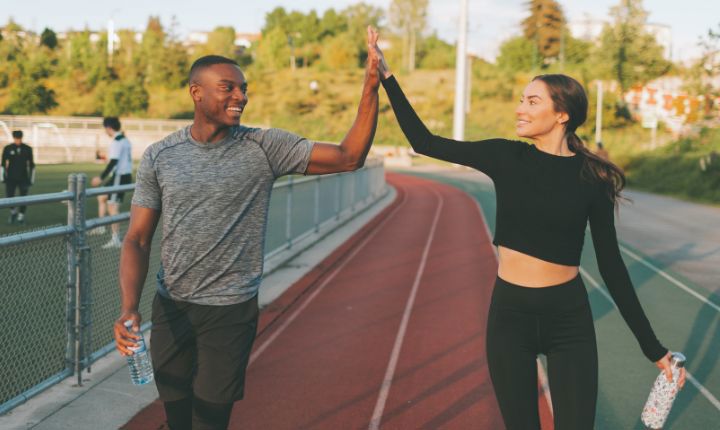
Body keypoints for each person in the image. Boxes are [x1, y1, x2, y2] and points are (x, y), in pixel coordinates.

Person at [371, 34, 685, 430]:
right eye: (521, 100)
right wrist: (387, 75)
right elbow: (424, 141)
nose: (520, 108)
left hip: (568, 318)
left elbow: (612, 267)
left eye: (532, 101)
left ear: (562, 114)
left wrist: (654, 350)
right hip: (510, 316)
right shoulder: (506, 156)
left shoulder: (594, 178)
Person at [113, 27, 380, 430]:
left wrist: (370, 86)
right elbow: (137, 238)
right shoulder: (160, 156)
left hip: (230, 311)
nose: (240, 96)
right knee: (176, 412)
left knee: (210, 418)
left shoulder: (264, 147)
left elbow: (349, 157)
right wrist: (129, 308)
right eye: (227, 88)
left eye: (243, 88)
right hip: (171, 307)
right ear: (196, 93)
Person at [90, 117, 133, 249]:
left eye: (105, 129)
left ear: (109, 128)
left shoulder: (117, 142)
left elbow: (113, 161)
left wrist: (101, 178)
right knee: (101, 196)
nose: (105, 131)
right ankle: (102, 226)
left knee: (113, 207)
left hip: (119, 177)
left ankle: (115, 239)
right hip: (121, 176)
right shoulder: (124, 139)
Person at [2, 130, 35, 225]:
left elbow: (32, 165)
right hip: (11, 178)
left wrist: (31, 179)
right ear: (13, 138)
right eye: (16, 138)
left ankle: (21, 216)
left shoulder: (27, 149)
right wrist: (3, 177)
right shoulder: (8, 148)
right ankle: (13, 212)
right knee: (9, 197)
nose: (18, 140)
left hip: (23, 178)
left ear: (22, 138)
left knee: (24, 198)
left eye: (19, 138)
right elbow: (3, 164)